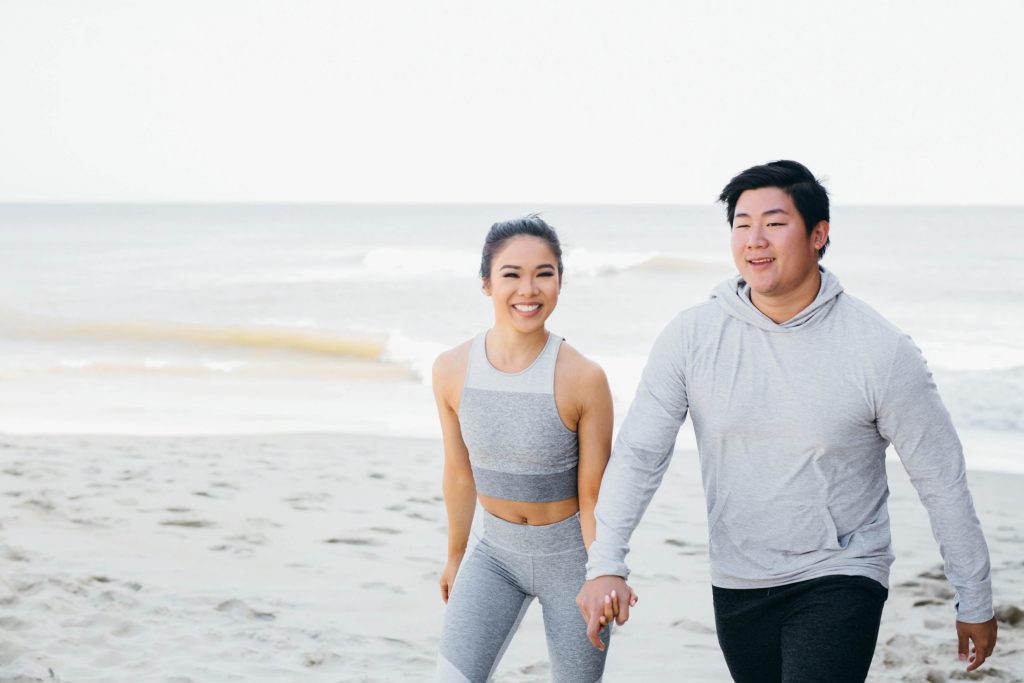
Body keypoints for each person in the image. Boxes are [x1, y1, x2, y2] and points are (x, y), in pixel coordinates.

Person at [576, 161, 998, 682]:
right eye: (741, 223)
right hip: (739, 578)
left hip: (841, 574)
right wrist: (606, 564)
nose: (755, 239)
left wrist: (974, 596)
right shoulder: (692, 338)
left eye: (775, 222)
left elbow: (941, 477)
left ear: (819, 235)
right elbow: (640, 455)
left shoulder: (879, 351)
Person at [433, 215, 625, 682]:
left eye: (544, 274)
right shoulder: (452, 369)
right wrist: (456, 554)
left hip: (571, 562)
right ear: (486, 284)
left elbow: (594, 497)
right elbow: (460, 474)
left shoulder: (584, 378)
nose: (529, 289)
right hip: (495, 554)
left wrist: (605, 572)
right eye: (511, 275)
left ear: (560, 281)